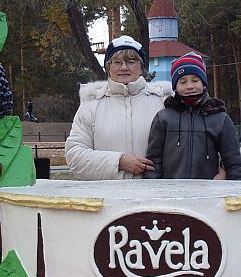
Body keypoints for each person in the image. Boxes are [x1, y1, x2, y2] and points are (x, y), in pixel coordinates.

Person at [65, 35, 172, 180]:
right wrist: (118, 162)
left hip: (155, 193)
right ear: (108, 67)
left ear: (141, 67)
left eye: (131, 61)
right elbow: (75, 156)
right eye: (117, 62)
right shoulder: (91, 105)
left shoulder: (163, 102)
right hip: (106, 194)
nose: (124, 67)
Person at [145, 53, 241, 180]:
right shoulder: (163, 118)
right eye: (183, 82)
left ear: (203, 83)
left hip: (208, 189)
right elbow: (154, 160)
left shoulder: (220, 118)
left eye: (195, 80)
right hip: (171, 190)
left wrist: (235, 187)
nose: (190, 86)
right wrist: (153, 188)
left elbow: (233, 161)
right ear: (175, 86)